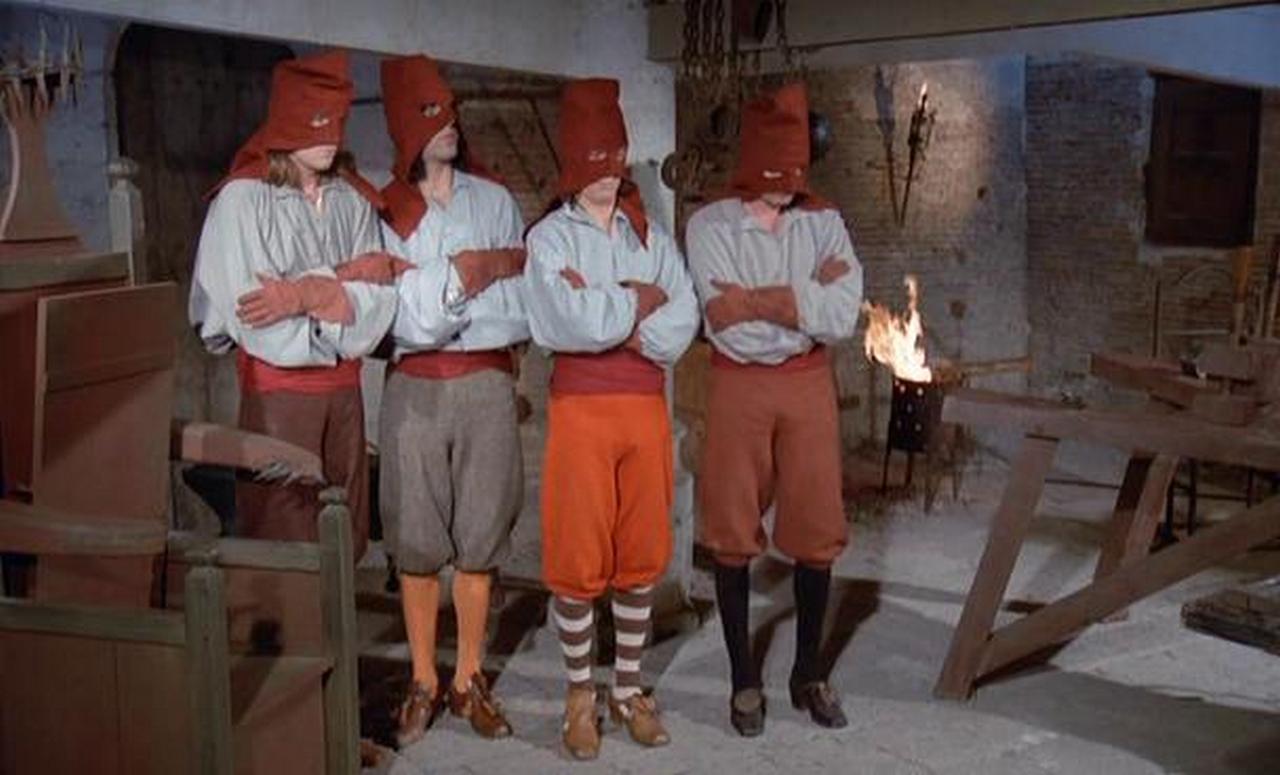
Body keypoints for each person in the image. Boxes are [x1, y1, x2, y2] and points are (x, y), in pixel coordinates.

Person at [524, 78, 699, 760]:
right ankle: (579, 694)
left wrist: (607, 312)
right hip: (580, 411)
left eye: (615, 157)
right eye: (593, 159)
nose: (607, 172)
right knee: (577, 558)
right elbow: (563, 322)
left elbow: (684, 320)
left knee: (640, 554)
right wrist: (637, 303)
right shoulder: (549, 240)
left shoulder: (649, 235)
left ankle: (627, 689)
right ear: (573, 162)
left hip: (645, 409)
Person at [684, 82, 864, 737]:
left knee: (817, 529)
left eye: (797, 174)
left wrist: (765, 303)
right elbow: (725, 325)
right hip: (739, 386)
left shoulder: (825, 222)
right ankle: (744, 680)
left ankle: (807, 672)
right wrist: (801, 302)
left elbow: (840, 315)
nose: (789, 188)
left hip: (807, 383)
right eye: (778, 174)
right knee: (731, 533)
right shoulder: (709, 225)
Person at [190, 49, 399, 561]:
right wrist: (340, 292)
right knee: (283, 525)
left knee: (346, 523)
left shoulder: (351, 199)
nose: (330, 138)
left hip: (344, 390)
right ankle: (290, 613)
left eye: (337, 125)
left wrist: (307, 297)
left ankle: (341, 611)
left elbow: (379, 298)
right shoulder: (243, 200)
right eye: (317, 123)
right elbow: (255, 312)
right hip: (279, 391)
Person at [375, 54, 529, 747]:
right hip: (414, 386)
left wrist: (444, 291)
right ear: (406, 128)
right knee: (414, 535)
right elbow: (398, 317)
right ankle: (422, 679)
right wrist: (470, 279)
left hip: (487, 382)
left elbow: (517, 305)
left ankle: (468, 678)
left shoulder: (492, 202)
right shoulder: (387, 213)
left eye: (451, 115)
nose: (449, 127)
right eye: (432, 117)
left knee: (481, 531)